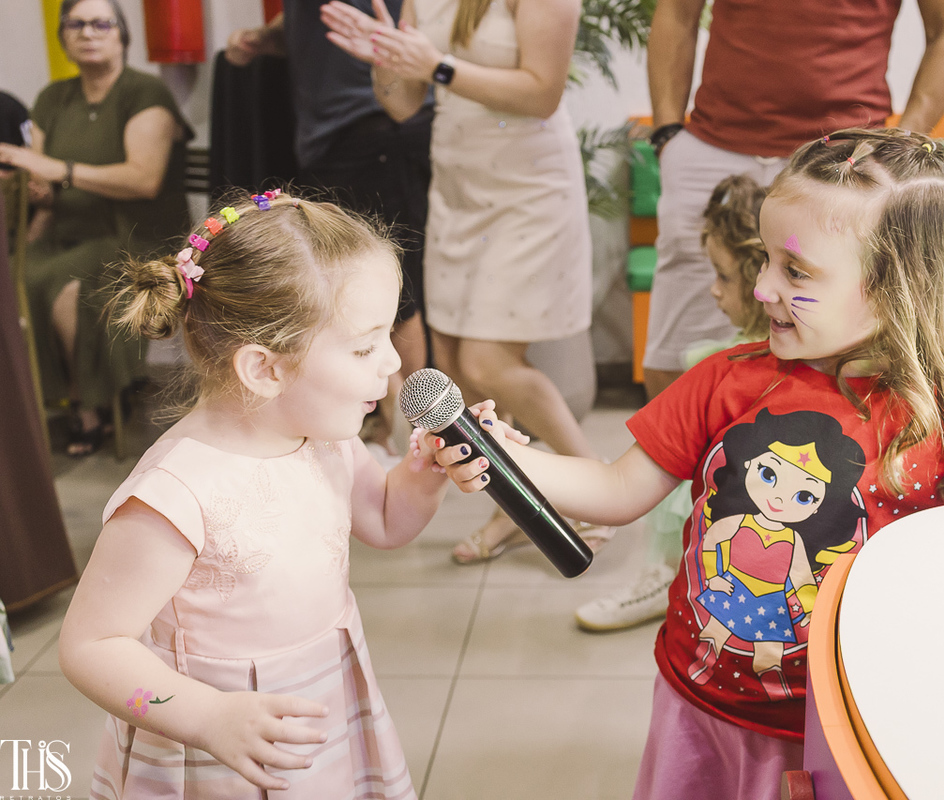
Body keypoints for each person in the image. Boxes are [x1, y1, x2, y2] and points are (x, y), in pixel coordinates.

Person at [422, 129, 944, 799]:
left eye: (796, 272)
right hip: (700, 701)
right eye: (765, 262)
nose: (762, 289)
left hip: (842, 723)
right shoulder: (725, 378)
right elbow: (617, 490)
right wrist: (512, 459)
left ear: (894, 289)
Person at [57, 190, 449, 798]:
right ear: (265, 369)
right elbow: (90, 647)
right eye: (365, 347)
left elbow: (385, 519)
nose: (393, 362)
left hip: (319, 705)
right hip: (213, 748)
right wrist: (206, 718)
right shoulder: (174, 497)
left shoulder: (322, 436)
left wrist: (425, 474)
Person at [321, 0, 612, 561]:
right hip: (459, 190)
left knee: (489, 363)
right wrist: (388, 59)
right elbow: (404, 105)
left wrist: (436, 66)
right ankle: (516, 502)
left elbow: (542, 91)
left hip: (527, 190)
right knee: (453, 365)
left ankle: (595, 492)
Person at [641, 0, 944, 401]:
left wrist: (896, 147)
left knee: (842, 348)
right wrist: (666, 135)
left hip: (842, 157)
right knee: (677, 346)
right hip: (714, 145)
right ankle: (675, 458)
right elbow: (677, 13)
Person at [224, 0, 434, 461]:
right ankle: (388, 426)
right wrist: (268, 38)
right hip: (329, 142)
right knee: (347, 285)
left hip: (376, 131)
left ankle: (418, 429)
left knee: (397, 294)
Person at [575, 174, 769, 631]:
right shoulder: (716, 366)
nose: (714, 291)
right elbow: (619, 486)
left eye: (723, 276)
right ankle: (663, 579)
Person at [0, 0, 192, 456]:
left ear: (122, 34)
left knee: (65, 289)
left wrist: (59, 170)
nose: (88, 32)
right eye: (76, 24)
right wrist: (35, 188)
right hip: (67, 231)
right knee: (14, 276)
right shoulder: (53, 97)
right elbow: (42, 176)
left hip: (133, 234)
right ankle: (43, 401)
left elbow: (144, 179)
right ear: (63, 36)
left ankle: (91, 406)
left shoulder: (144, 93)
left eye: (101, 23)